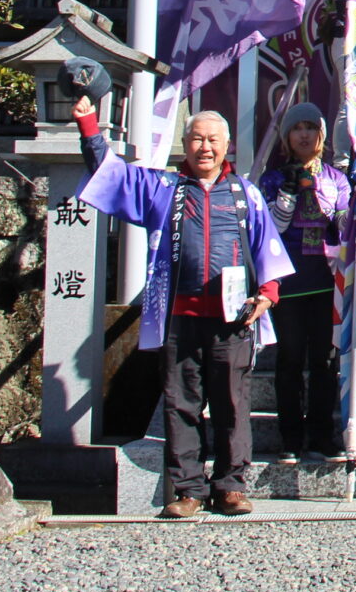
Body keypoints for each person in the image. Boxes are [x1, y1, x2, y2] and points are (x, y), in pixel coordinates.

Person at [72, 98, 292, 519]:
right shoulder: (162, 189)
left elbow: (268, 249)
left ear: (227, 145)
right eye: (196, 139)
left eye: (213, 140)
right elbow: (110, 174)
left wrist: (267, 294)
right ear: (185, 143)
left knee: (232, 404)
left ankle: (230, 486)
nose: (205, 147)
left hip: (233, 320)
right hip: (179, 317)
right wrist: (88, 125)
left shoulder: (246, 194)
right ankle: (187, 489)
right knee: (180, 403)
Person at [257, 102, 347, 464]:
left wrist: (346, 209)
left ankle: (323, 435)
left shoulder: (336, 178)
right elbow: (271, 230)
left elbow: (344, 225)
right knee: (290, 359)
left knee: (325, 360)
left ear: (322, 134)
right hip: (288, 281)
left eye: (311, 127)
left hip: (326, 280)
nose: (304, 134)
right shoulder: (272, 179)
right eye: (297, 128)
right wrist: (289, 193)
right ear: (287, 137)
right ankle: (290, 437)